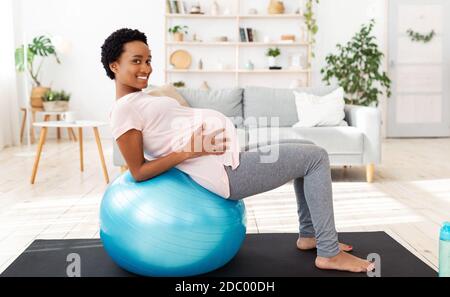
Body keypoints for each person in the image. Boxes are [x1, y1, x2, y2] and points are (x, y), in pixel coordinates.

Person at [101, 28, 375, 273]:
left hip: (226, 156)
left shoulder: (139, 99)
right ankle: (329, 253)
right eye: (136, 61)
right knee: (316, 158)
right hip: (222, 172)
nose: (146, 68)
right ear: (114, 65)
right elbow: (137, 171)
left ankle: (310, 235)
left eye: (148, 61)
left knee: (310, 149)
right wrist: (187, 151)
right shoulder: (123, 109)